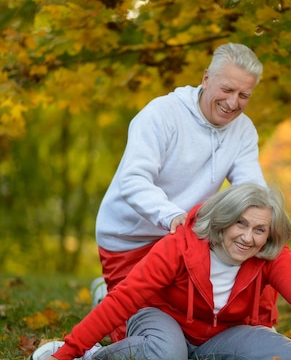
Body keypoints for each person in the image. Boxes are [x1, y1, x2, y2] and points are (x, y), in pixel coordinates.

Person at [32, 184, 291, 360]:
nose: (249, 237)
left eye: (260, 229)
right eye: (240, 224)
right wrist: (67, 353)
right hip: (161, 316)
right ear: (222, 221)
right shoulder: (179, 247)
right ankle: (93, 357)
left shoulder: (267, 252)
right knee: (167, 359)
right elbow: (125, 299)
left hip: (220, 331)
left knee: (263, 341)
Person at [91, 42, 273, 340]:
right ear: (205, 79)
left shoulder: (243, 129)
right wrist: (172, 216)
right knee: (134, 339)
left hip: (184, 238)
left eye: (244, 95)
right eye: (227, 90)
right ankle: (104, 294)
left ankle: (263, 329)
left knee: (195, 328)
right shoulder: (161, 114)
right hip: (132, 237)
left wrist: (267, 223)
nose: (233, 102)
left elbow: (251, 191)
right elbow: (134, 180)